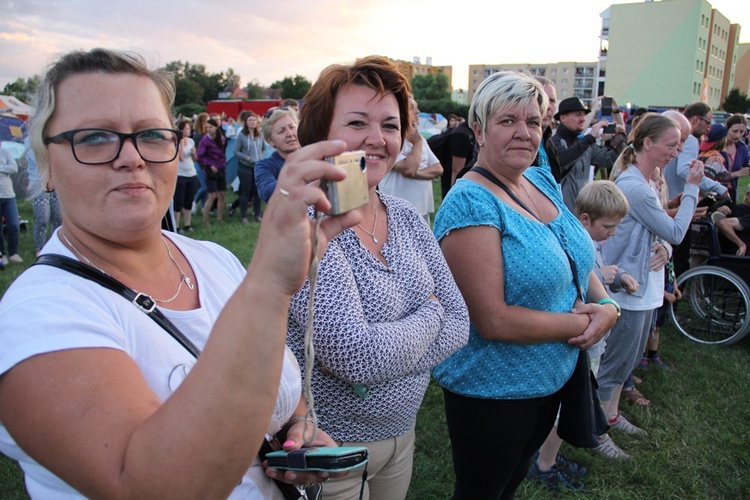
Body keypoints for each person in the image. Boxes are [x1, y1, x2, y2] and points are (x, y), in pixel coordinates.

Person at [0, 47, 363, 499]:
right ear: (46, 165)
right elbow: (151, 487)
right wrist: (269, 284)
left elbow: (278, 388)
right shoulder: (36, 316)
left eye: (152, 135)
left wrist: (295, 432)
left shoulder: (212, 258)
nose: (131, 157)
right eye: (94, 137)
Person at [287, 55, 470, 500]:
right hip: (329, 448)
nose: (377, 138)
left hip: (401, 437)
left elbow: (461, 324)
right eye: (356, 123)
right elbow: (356, 355)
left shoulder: (406, 217)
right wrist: (430, 314)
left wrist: (390, 347)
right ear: (321, 136)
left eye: (390, 125)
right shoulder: (307, 225)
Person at [432, 70, 618, 498]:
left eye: (532, 122)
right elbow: (493, 319)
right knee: (482, 491)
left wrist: (606, 305)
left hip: (550, 378)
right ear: (478, 129)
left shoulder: (539, 178)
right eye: (507, 121)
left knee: (512, 482)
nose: (523, 133)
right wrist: (583, 324)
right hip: (493, 390)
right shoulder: (470, 202)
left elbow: (574, 252)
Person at [596, 113, 703, 458]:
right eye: (672, 145)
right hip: (627, 290)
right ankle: (596, 432)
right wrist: (692, 189)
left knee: (626, 363)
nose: (677, 152)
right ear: (647, 143)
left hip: (644, 288)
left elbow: (661, 235)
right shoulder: (635, 187)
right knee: (614, 365)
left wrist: (665, 247)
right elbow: (674, 229)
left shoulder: (648, 183)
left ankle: (611, 416)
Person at [529, 179, 636, 488]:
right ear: (585, 219)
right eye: (609, 226)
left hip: (585, 343)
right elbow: (572, 285)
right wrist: (601, 278)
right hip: (576, 343)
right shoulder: (576, 243)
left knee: (565, 407)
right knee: (566, 409)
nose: (613, 232)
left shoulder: (584, 241)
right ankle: (543, 464)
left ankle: (545, 455)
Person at [547, 96, 625, 212]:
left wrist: (620, 138)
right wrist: (590, 138)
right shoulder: (554, 141)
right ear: (563, 117)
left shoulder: (586, 144)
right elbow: (562, 159)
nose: (583, 119)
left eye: (584, 115)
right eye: (578, 114)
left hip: (581, 212)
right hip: (559, 213)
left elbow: (609, 160)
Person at [379, 95, 443, 224]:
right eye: (412, 107)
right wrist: (417, 143)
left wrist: (418, 174)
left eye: (417, 107)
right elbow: (408, 168)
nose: (417, 112)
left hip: (422, 209)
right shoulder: (391, 139)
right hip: (397, 211)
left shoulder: (419, 138)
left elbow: (438, 169)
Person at [25, 136, 62, 256]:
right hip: (38, 183)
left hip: (56, 181)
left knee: (58, 216)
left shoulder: (50, 135)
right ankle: (39, 247)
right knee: (43, 217)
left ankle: (57, 245)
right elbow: (40, 161)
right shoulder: (29, 141)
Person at [255, 108, 300, 202]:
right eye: (281, 131)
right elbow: (268, 192)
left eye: (292, 127)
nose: (290, 134)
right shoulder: (265, 166)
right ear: (270, 141)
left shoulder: (316, 156)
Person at [234, 111, 266, 223]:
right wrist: (246, 158)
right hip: (245, 167)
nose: (253, 122)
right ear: (246, 123)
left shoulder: (259, 135)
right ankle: (243, 216)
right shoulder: (242, 135)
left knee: (257, 191)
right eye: (250, 120)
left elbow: (263, 149)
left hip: (257, 166)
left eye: (254, 120)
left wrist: (262, 157)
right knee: (245, 191)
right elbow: (236, 151)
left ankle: (257, 214)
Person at [197, 118, 227, 224]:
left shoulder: (221, 138)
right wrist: (209, 165)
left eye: (211, 127)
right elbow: (200, 156)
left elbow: (223, 152)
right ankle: (205, 219)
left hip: (221, 168)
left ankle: (219, 217)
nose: (209, 129)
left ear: (216, 127)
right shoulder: (205, 140)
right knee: (212, 195)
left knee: (222, 194)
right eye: (207, 127)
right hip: (211, 170)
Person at [173, 119, 198, 233]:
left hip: (191, 173)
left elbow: (195, 159)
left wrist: (194, 154)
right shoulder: (176, 143)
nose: (190, 130)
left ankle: (187, 224)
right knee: (178, 201)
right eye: (187, 128)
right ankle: (176, 226)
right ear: (182, 130)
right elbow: (181, 157)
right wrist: (181, 142)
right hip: (180, 174)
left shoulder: (191, 141)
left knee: (189, 200)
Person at [0, 145, 22, 266]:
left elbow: (14, 168)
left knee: (14, 225)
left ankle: (13, 253)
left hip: (9, 195)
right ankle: (2, 254)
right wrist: (5, 169)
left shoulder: (5, 152)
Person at [714, 183, 750, 256]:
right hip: (740, 260)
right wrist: (741, 244)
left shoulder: (732, 210)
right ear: (748, 195)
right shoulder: (738, 211)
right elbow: (722, 223)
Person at [724, 114, 750, 200]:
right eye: (734, 131)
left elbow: (748, 164)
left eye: (741, 132)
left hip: (732, 191)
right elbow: (713, 176)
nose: (738, 135)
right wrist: (738, 173)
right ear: (727, 129)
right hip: (714, 190)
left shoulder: (742, 148)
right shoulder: (717, 147)